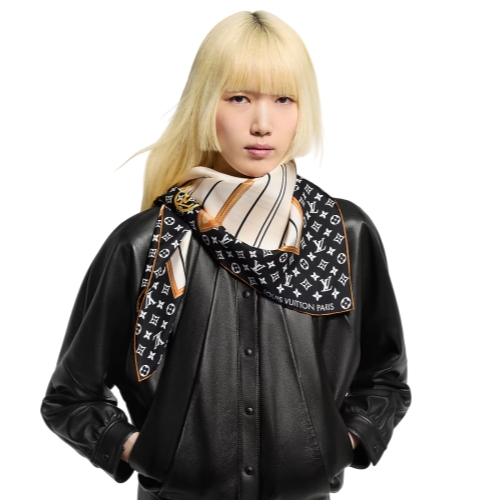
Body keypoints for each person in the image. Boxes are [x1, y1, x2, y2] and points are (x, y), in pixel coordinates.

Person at [40, 10, 411, 500]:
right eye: (239, 98)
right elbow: (70, 396)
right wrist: (141, 451)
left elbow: (385, 376)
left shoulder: (343, 234)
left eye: (284, 99)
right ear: (204, 104)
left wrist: (343, 442)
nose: (262, 124)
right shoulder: (146, 243)